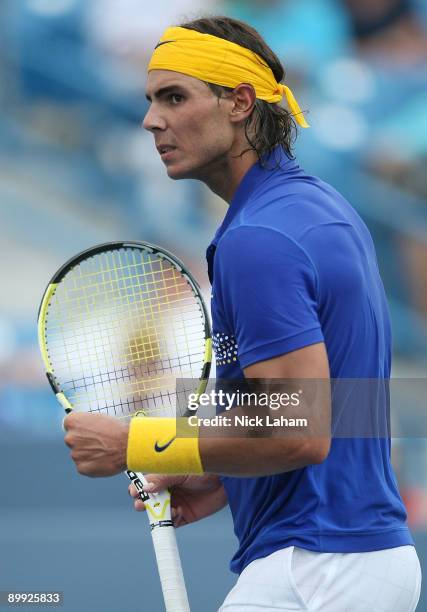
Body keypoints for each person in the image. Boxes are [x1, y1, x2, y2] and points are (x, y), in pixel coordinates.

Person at [63, 16, 422, 611]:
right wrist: (224, 477)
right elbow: (342, 402)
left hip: (316, 566)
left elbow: (302, 430)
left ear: (240, 103)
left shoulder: (257, 239)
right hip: (362, 559)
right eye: (151, 100)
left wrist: (142, 443)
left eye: (175, 97)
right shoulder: (316, 206)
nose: (153, 120)